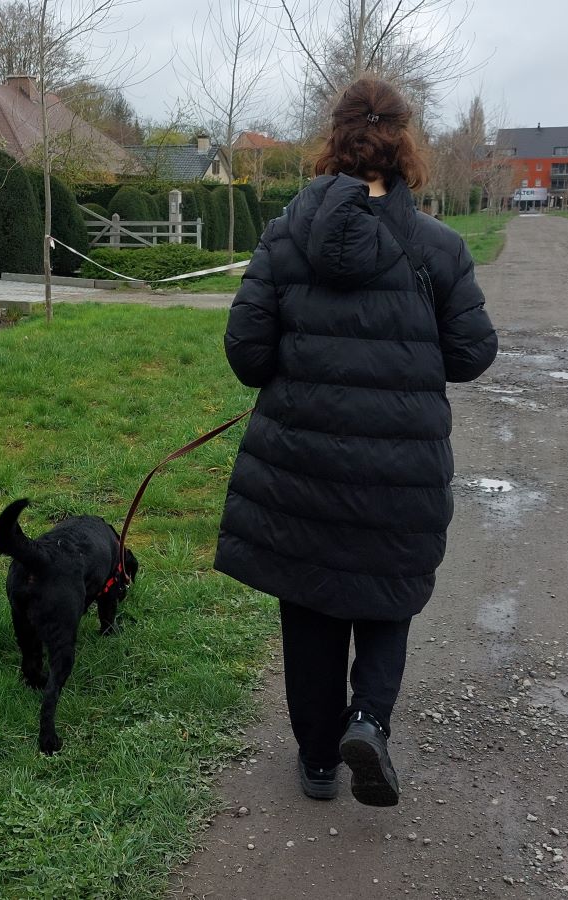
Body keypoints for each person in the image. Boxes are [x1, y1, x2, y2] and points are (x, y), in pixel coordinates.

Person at [214, 77, 498, 806]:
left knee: (309, 604)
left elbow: (246, 354)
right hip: (399, 467)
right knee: (386, 594)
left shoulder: (285, 234)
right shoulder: (438, 247)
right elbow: (471, 355)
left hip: (301, 465)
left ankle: (315, 763)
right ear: (404, 143)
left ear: (333, 139)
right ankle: (368, 719)